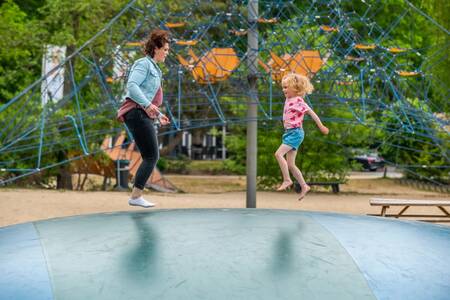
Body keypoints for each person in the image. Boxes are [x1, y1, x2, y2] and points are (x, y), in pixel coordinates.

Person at [117, 29, 170, 208]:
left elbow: (150, 99)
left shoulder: (155, 69)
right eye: (166, 49)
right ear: (156, 48)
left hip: (142, 113)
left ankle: (136, 196)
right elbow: (132, 86)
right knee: (151, 156)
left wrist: (159, 115)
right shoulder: (143, 64)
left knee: (151, 156)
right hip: (137, 113)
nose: (167, 53)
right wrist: (148, 106)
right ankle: (136, 196)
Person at [275, 73, 329, 200]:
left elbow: (312, 113)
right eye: (283, 87)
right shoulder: (288, 99)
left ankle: (287, 180)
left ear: (295, 89)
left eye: (286, 87)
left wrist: (321, 126)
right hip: (289, 133)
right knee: (291, 165)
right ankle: (304, 186)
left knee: (278, 154)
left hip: (295, 133)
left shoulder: (299, 101)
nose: (284, 90)